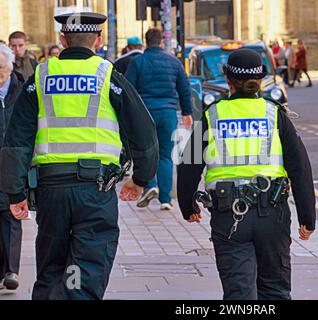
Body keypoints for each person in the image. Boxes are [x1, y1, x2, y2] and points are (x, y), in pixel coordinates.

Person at [0, 12, 159, 300]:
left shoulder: (40, 77)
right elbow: (144, 132)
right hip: (94, 193)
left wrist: (14, 192)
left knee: (51, 270)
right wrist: (140, 179)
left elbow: (16, 139)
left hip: (51, 192)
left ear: (62, 40)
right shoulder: (109, 76)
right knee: (84, 270)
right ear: (97, 41)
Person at [177, 48, 316, 300]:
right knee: (275, 290)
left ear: (227, 78)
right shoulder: (274, 114)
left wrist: (188, 205)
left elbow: (189, 164)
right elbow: (300, 167)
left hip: (228, 216)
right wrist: (307, 216)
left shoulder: (214, 115)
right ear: (261, 79)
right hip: (272, 215)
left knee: (238, 293)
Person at [126, 28, 193, 211]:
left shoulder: (138, 61)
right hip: (168, 112)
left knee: (147, 152)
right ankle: (165, 199)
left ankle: (151, 185)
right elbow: (184, 89)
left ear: (146, 42)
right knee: (165, 155)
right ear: (161, 42)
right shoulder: (174, 62)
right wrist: (187, 112)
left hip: (145, 113)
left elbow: (128, 89)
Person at [0, 44, 23, 292]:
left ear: (10, 65)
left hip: (14, 162)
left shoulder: (22, 88)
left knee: (12, 214)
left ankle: (11, 270)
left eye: (1, 67)